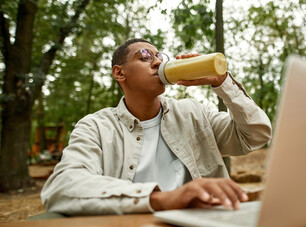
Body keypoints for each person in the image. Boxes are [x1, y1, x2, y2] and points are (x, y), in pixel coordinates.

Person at [41, 38, 272, 215]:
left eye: (159, 56)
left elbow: (256, 134)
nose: (158, 61)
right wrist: (161, 199)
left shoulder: (194, 113)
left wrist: (223, 83)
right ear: (119, 73)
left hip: (207, 225)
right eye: (145, 56)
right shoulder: (96, 128)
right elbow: (62, 186)